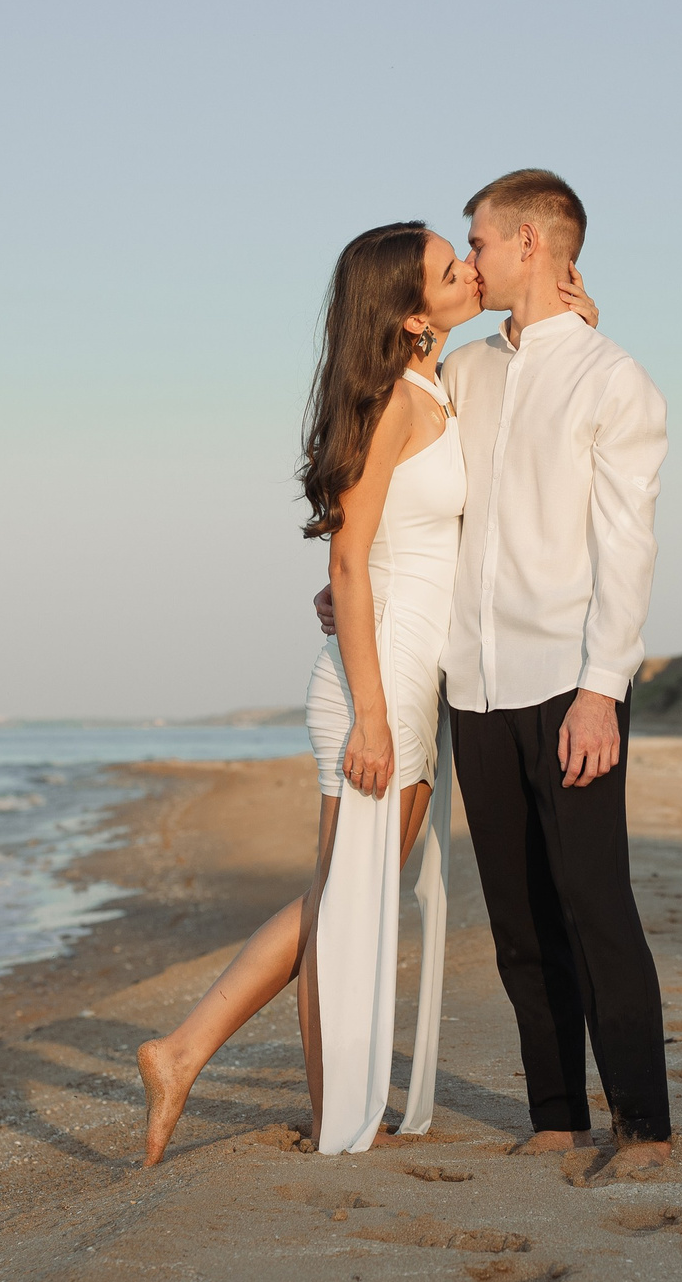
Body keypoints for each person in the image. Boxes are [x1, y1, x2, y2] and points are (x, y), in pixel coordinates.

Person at [135, 218, 597, 1164]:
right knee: (342, 902)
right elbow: (349, 558)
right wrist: (376, 713)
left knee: (341, 897)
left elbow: (392, 541)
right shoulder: (394, 401)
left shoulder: (435, 385)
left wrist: (575, 318)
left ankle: (254, 1078)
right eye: (447, 266)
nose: (468, 270)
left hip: (407, 672)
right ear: (409, 308)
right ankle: (217, 1064)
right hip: (375, 684)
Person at [322, 169, 671, 1175]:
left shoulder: (614, 379)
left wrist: (604, 686)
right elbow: (406, 492)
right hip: (472, 684)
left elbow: (627, 546)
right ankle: (557, 1113)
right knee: (516, 916)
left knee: (595, 904)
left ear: (527, 240)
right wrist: (356, 579)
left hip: (569, 682)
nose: (467, 262)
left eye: (475, 242)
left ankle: (642, 1124)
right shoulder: (466, 372)